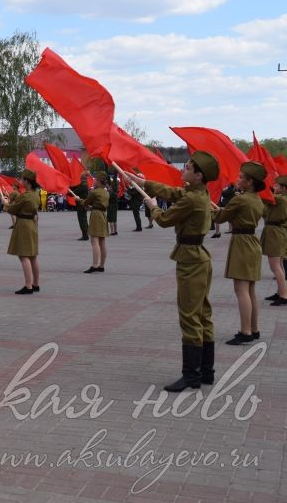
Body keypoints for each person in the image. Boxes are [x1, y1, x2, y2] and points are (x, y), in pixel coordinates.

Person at [123, 151, 219, 392]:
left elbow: (165, 220)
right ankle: (206, 372)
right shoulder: (198, 193)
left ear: (198, 175)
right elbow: (172, 192)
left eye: (187, 168)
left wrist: (153, 208)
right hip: (200, 257)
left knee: (189, 316)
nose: (183, 170)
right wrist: (141, 181)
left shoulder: (193, 199)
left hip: (191, 260)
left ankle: (191, 376)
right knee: (203, 314)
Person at [214, 162, 266, 345]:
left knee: (241, 290)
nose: (238, 179)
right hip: (252, 242)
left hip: (242, 244)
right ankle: (254, 328)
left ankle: (245, 332)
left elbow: (219, 218)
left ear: (250, 182)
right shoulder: (256, 199)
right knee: (250, 290)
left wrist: (211, 207)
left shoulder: (240, 199)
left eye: (242, 177)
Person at [5, 170, 40, 294]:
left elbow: (13, 209)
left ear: (27, 181)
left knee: (24, 255)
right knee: (32, 255)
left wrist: (6, 204)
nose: (20, 181)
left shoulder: (25, 195)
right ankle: (35, 284)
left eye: (22, 179)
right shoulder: (36, 194)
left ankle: (28, 285)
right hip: (32, 224)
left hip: (24, 225)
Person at [73, 171, 110, 273]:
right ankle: (101, 265)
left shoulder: (94, 192)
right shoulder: (106, 192)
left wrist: (78, 199)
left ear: (99, 182)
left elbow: (85, 202)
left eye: (95, 179)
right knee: (102, 241)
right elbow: (99, 205)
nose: (93, 181)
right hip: (103, 215)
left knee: (94, 241)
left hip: (96, 216)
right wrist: (91, 207)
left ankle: (94, 265)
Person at [264, 176, 287, 306]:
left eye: (277, 186)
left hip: (275, 234)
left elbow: (266, 196)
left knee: (275, 266)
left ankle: (283, 296)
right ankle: (280, 292)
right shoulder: (278, 200)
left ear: (283, 188)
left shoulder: (280, 199)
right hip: (275, 232)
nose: (274, 188)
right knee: (279, 266)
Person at [72, 173, 90, 240]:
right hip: (83, 204)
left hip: (81, 204)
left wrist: (68, 192)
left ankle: (85, 235)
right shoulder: (84, 184)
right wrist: (69, 187)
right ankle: (86, 234)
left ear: (82, 178)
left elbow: (76, 191)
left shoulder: (83, 185)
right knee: (84, 219)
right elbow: (76, 187)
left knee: (82, 220)